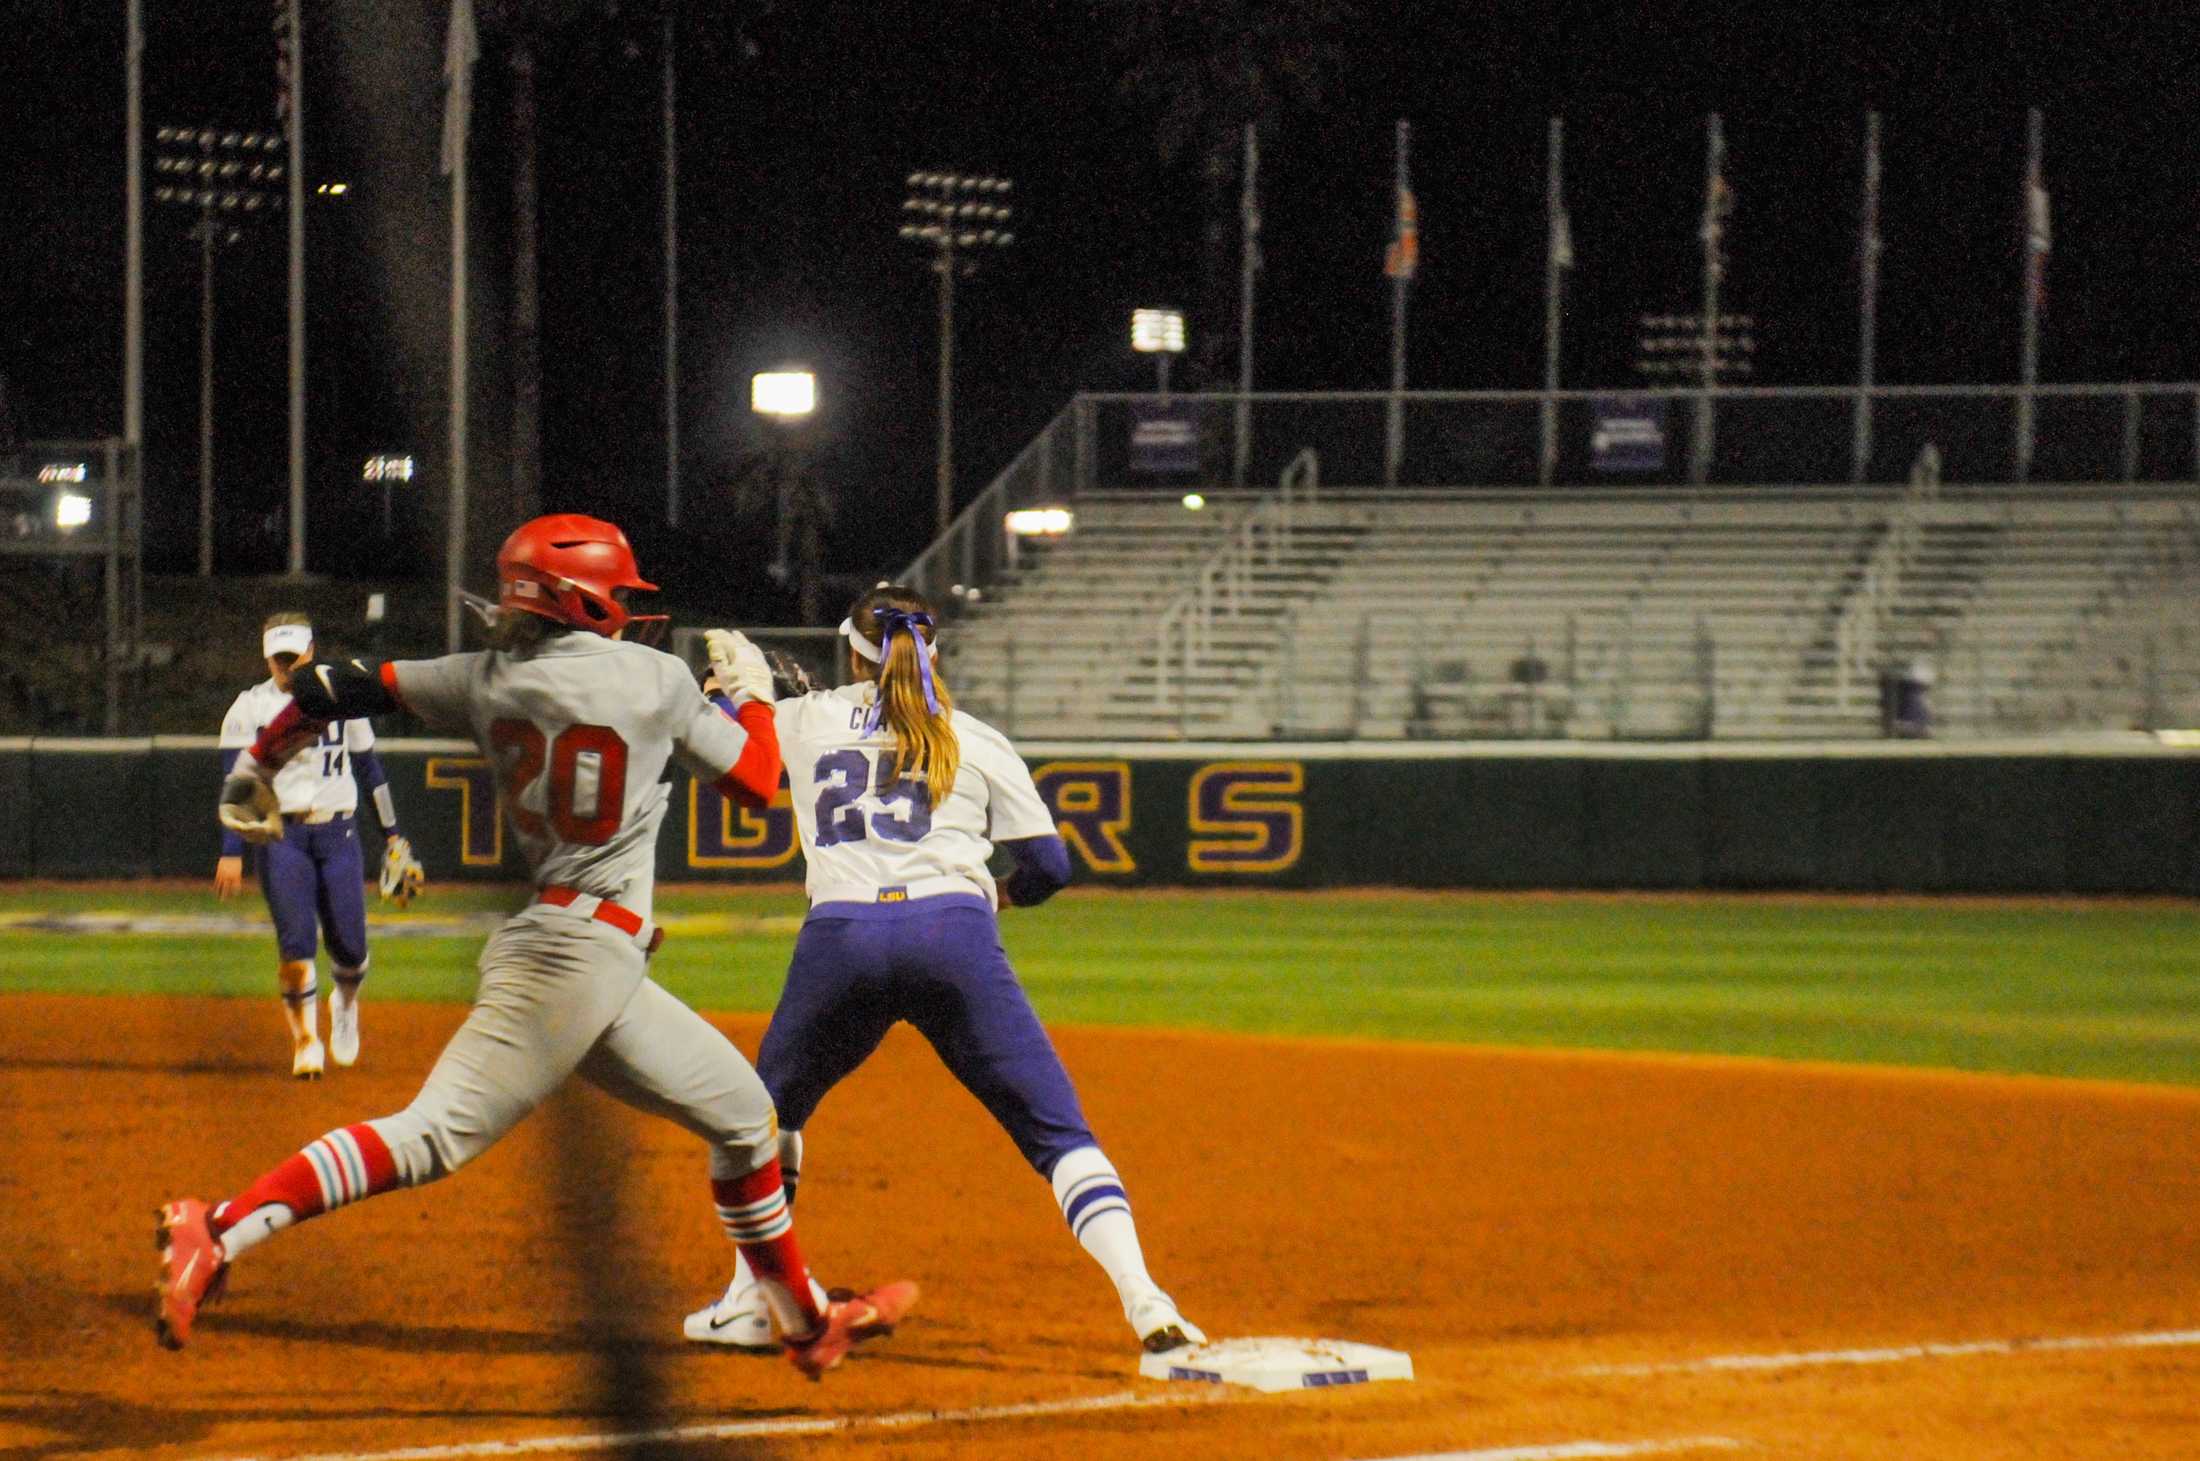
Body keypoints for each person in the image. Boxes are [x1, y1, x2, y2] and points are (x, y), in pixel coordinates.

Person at [158, 514, 914, 1379]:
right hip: (572, 957)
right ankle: (215, 1228)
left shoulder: (482, 677)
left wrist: (257, 760)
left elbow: (336, 683)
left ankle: (805, 1322)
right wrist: (749, 696)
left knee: (746, 1122)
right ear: (581, 596)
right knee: (433, 1135)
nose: (630, 610)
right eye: (617, 594)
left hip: (591, 954)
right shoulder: (655, 677)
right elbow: (757, 781)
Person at [682, 584, 1206, 1356]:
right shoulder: (973, 735)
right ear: (935, 654)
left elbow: (729, 754)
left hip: (842, 940)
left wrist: (734, 697)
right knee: (1059, 1134)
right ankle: (1148, 1304)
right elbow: (1051, 865)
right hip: (953, 938)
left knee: (765, 1122)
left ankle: (749, 1297)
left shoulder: (801, 719)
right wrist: (1001, 892)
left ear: (850, 651)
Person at [216, 612, 426, 1078]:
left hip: (338, 831)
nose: (287, 667)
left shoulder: (341, 696)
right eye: (279, 659)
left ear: (311, 652)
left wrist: (393, 834)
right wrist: (231, 850)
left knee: (351, 948)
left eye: (294, 657)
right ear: (268, 657)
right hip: (281, 835)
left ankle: (345, 1005)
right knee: (295, 946)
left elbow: (371, 773)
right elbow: (238, 783)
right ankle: (306, 1041)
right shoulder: (249, 709)